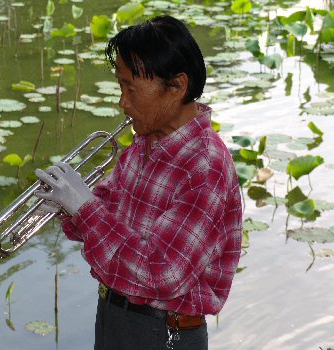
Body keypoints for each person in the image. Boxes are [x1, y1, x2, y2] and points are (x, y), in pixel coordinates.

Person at [34, 15, 242, 350]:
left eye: (131, 88)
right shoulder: (143, 146)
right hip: (115, 316)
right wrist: (64, 204)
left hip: (164, 332)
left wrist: (84, 208)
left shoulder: (204, 166)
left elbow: (163, 275)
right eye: (120, 86)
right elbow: (98, 224)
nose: (122, 101)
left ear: (176, 87)